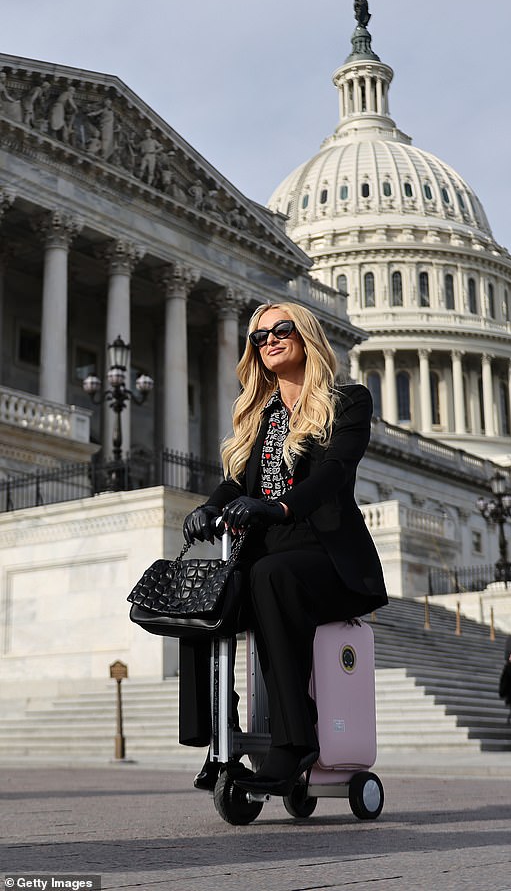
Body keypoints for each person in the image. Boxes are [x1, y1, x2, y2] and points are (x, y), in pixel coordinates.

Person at [181, 302, 388, 796]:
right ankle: (218, 739)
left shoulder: (348, 402)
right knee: (204, 597)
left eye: (281, 330)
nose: (269, 340)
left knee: (268, 576)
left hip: (327, 561)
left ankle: (295, 741)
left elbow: (334, 476)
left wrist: (278, 508)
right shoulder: (263, 415)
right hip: (268, 558)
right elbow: (237, 483)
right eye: (258, 337)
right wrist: (207, 509)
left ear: (306, 335)